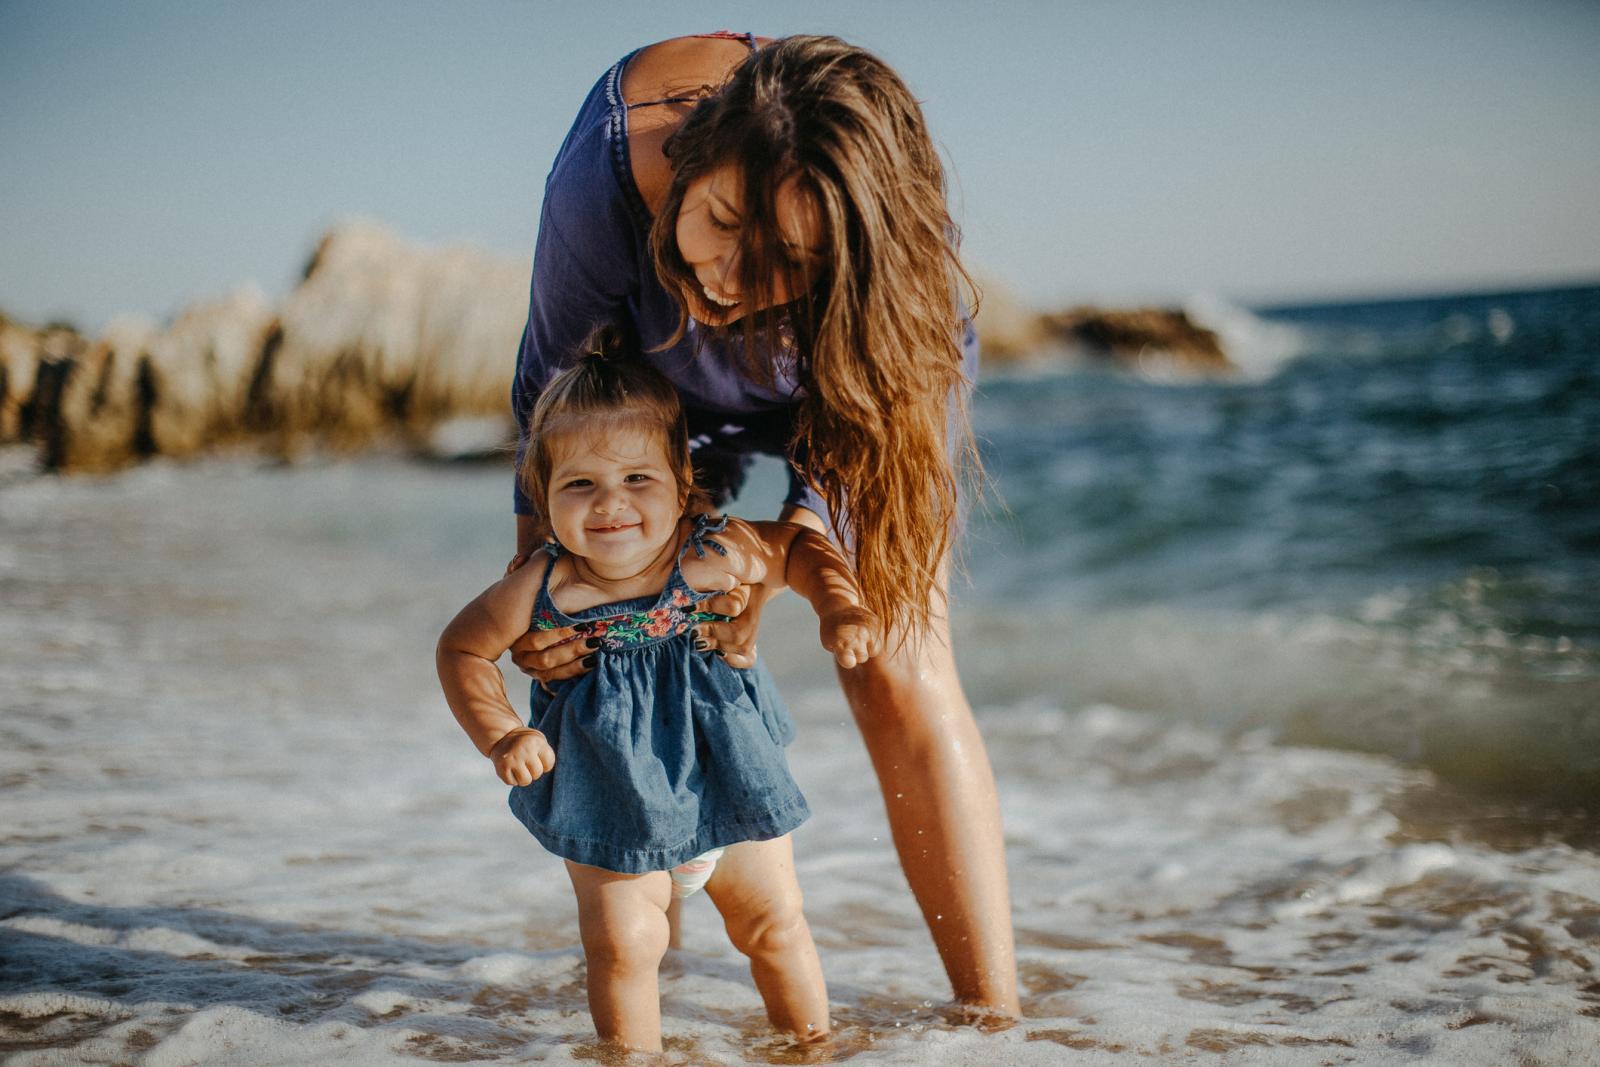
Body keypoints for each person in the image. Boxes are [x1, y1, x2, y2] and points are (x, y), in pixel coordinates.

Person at [507, 32, 1020, 1017]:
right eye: (722, 218)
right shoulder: (607, 178)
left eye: (780, 258)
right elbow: (549, 401)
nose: (729, 278)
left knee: (898, 667)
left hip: (849, 378)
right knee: (632, 640)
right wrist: (541, 603)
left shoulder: (887, 271)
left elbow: (852, 463)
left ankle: (995, 1018)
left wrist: (785, 548)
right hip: (657, 388)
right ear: (694, 159)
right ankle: (664, 927)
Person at [438, 348, 877, 1052]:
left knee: (773, 922)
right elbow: (461, 649)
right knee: (625, 947)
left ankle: (811, 1044)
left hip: (729, 778)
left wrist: (840, 609)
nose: (611, 502)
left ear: (682, 485)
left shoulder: (709, 551)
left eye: (636, 477)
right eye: (581, 483)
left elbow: (798, 549)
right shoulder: (540, 586)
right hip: (609, 793)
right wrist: (501, 733)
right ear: (542, 498)